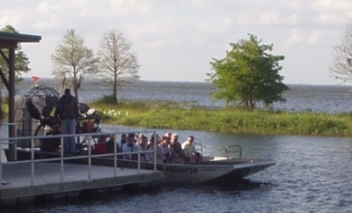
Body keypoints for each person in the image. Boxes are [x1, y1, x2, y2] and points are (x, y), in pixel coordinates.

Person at [54, 88, 80, 154]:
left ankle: (72, 149)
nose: (67, 95)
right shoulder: (61, 100)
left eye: (68, 93)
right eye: (66, 93)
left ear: (69, 93)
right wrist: (55, 116)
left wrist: (77, 117)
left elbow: (76, 109)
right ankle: (65, 149)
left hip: (72, 118)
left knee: (72, 134)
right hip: (63, 118)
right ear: (65, 93)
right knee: (64, 135)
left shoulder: (73, 99)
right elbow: (57, 109)